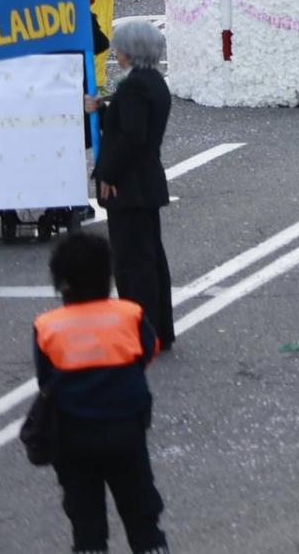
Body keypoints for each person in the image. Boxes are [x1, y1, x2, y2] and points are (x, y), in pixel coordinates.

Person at [32, 232, 168, 554]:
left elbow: (45, 378)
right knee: (141, 515)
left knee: (87, 522)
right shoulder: (128, 314)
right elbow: (149, 351)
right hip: (125, 430)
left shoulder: (48, 325)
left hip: (72, 437)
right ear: (107, 276)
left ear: (61, 282)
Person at [89, 19, 175, 350]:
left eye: (121, 47)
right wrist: (104, 107)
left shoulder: (134, 88)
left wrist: (107, 174)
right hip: (146, 182)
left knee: (131, 263)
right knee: (150, 258)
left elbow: (131, 136)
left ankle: (139, 331)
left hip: (130, 185)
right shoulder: (153, 82)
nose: (117, 51)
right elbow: (134, 122)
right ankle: (158, 328)